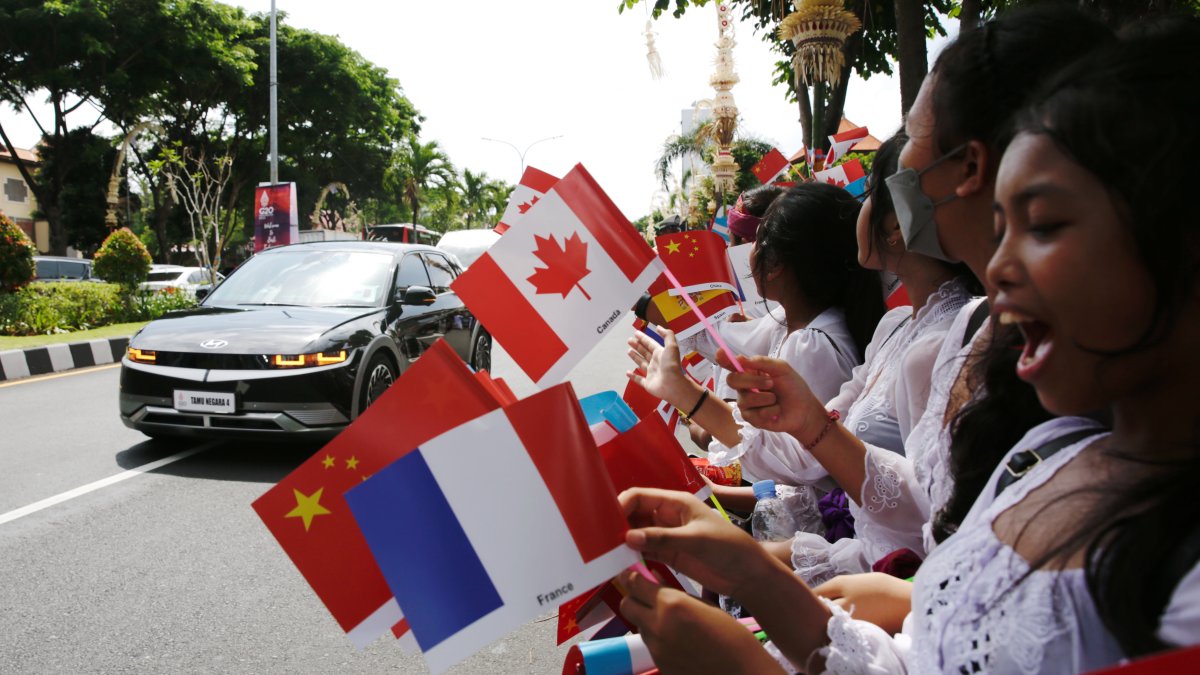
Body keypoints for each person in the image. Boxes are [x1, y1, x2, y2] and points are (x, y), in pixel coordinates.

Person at [615, 19, 1200, 673]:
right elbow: (926, 635)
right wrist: (754, 571)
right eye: (1004, 227)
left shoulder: (1174, 569)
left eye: (1045, 224)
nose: (1002, 268)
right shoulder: (1046, 457)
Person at [626, 182, 884, 486]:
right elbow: (718, 336)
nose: (742, 252)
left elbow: (796, 466)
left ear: (774, 264)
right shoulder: (786, 322)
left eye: (756, 241)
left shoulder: (813, 345)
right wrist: (639, 300)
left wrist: (684, 393)